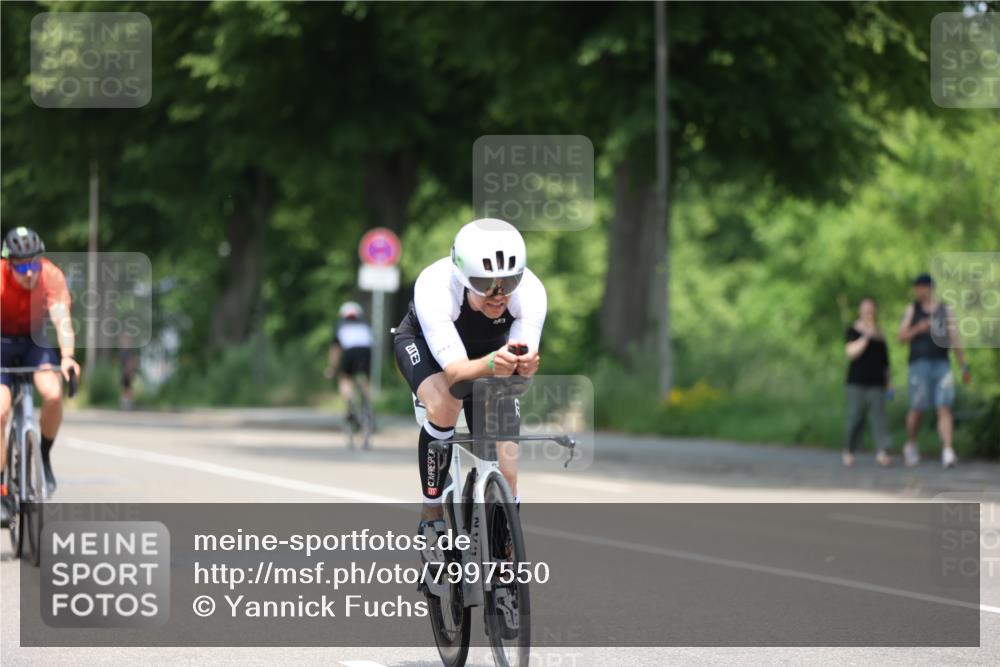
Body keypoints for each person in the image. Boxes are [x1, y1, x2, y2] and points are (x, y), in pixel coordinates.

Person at [391, 218, 546, 545]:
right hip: (427, 346)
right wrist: (493, 363)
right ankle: (430, 514)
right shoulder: (436, 288)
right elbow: (457, 374)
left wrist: (525, 367)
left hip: (489, 350)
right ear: (462, 277)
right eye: (484, 283)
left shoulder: (530, 292)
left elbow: (517, 371)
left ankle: (504, 558)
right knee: (447, 402)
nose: (498, 294)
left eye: (509, 281)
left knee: (507, 466)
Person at [1, 227, 81, 526]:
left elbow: (62, 321)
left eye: (34, 263)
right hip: (2, 344)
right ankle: (1, 487)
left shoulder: (51, 276)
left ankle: (44, 457)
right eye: (21, 266)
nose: (29, 272)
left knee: (53, 393)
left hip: (36, 342)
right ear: (8, 264)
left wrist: (68, 356)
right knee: (0, 410)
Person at [897, 272, 970, 468]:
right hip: (918, 364)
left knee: (944, 406)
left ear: (929, 288)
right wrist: (918, 328)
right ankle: (911, 444)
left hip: (942, 364)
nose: (917, 291)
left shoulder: (946, 310)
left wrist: (964, 365)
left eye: (919, 287)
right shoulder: (913, 309)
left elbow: (954, 337)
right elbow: (901, 337)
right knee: (918, 406)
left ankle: (948, 450)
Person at [843, 298, 893, 467]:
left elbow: (886, 363)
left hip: (877, 383)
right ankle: (849, 450)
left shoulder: (881, 335)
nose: (868, 313)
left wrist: (889, 384)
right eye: (866, 310)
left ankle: (882, 452)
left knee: (879, 418)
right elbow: (850, 352)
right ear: (860, 311)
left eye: (871, 310)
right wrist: (866, 336)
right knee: (855, 417)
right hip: (856, 382)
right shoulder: (853, 330)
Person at [324, 301, 374, 429]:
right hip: (365, 351)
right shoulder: (365, 325)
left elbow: (335, 349)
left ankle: (350, 401)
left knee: (345, 378)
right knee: (366, 378)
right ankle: (368, 406)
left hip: (350, 351)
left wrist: (332, 368)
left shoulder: (340, 325)